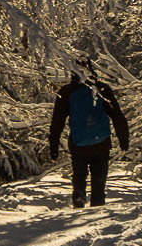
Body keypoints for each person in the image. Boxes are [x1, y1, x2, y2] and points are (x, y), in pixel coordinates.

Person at [47, 65, 130, 207]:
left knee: (79, 178)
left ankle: (78, 204)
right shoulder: (103, 89)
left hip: (78, 145)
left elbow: (57, 121)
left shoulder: (66, 92)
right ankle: (97, 207)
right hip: (102, 144)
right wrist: (124, 140)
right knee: (99, 181)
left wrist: (53, 146)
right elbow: (117, 116)